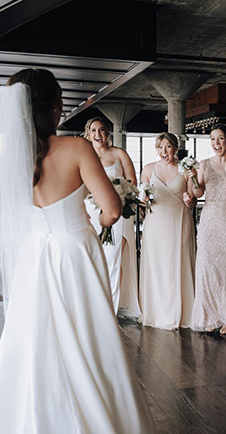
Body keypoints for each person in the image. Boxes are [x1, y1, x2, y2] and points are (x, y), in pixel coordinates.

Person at [0, 68, 153, 433]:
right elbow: (113, 210)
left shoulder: (14, 160)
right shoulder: (75, 148)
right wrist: (95, 221)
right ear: (54, 108)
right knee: (89, 338)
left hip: (35, 256)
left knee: (33, 339)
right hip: (74, 253)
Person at [188, 124, 226, 334]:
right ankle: (209, 316)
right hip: (210, 218)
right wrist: (193, 177)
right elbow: (197, 192)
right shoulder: (204, 164)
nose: (216, 143)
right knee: (207, 266)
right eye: (213, 139)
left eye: (221, 139)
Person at [83, 116, 140, 317]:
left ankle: (110, 310)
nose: (97, 134)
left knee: (113, 259)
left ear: (107, 133)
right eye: (93, 131)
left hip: (118, 210)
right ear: (88, 134)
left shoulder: (119, 154)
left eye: (101, 130)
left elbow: (132, 183)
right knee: (94, 259)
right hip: (91, 212)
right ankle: (94, 306)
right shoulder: (85, 155)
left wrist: (121, 196)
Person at [139, 133, 196, 329]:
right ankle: (156, 312)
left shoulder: (185, 170)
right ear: (156, 149)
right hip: (155, 224)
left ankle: (179, 312)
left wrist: (190, 200)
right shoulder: (148, 170)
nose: (164, 152)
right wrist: (143, 200)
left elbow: (192, 200)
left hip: (179, 221)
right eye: (160, 147)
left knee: (176, 265)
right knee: (158, 266)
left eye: (168, 147)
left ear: (175, 148)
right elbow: (141, 198)